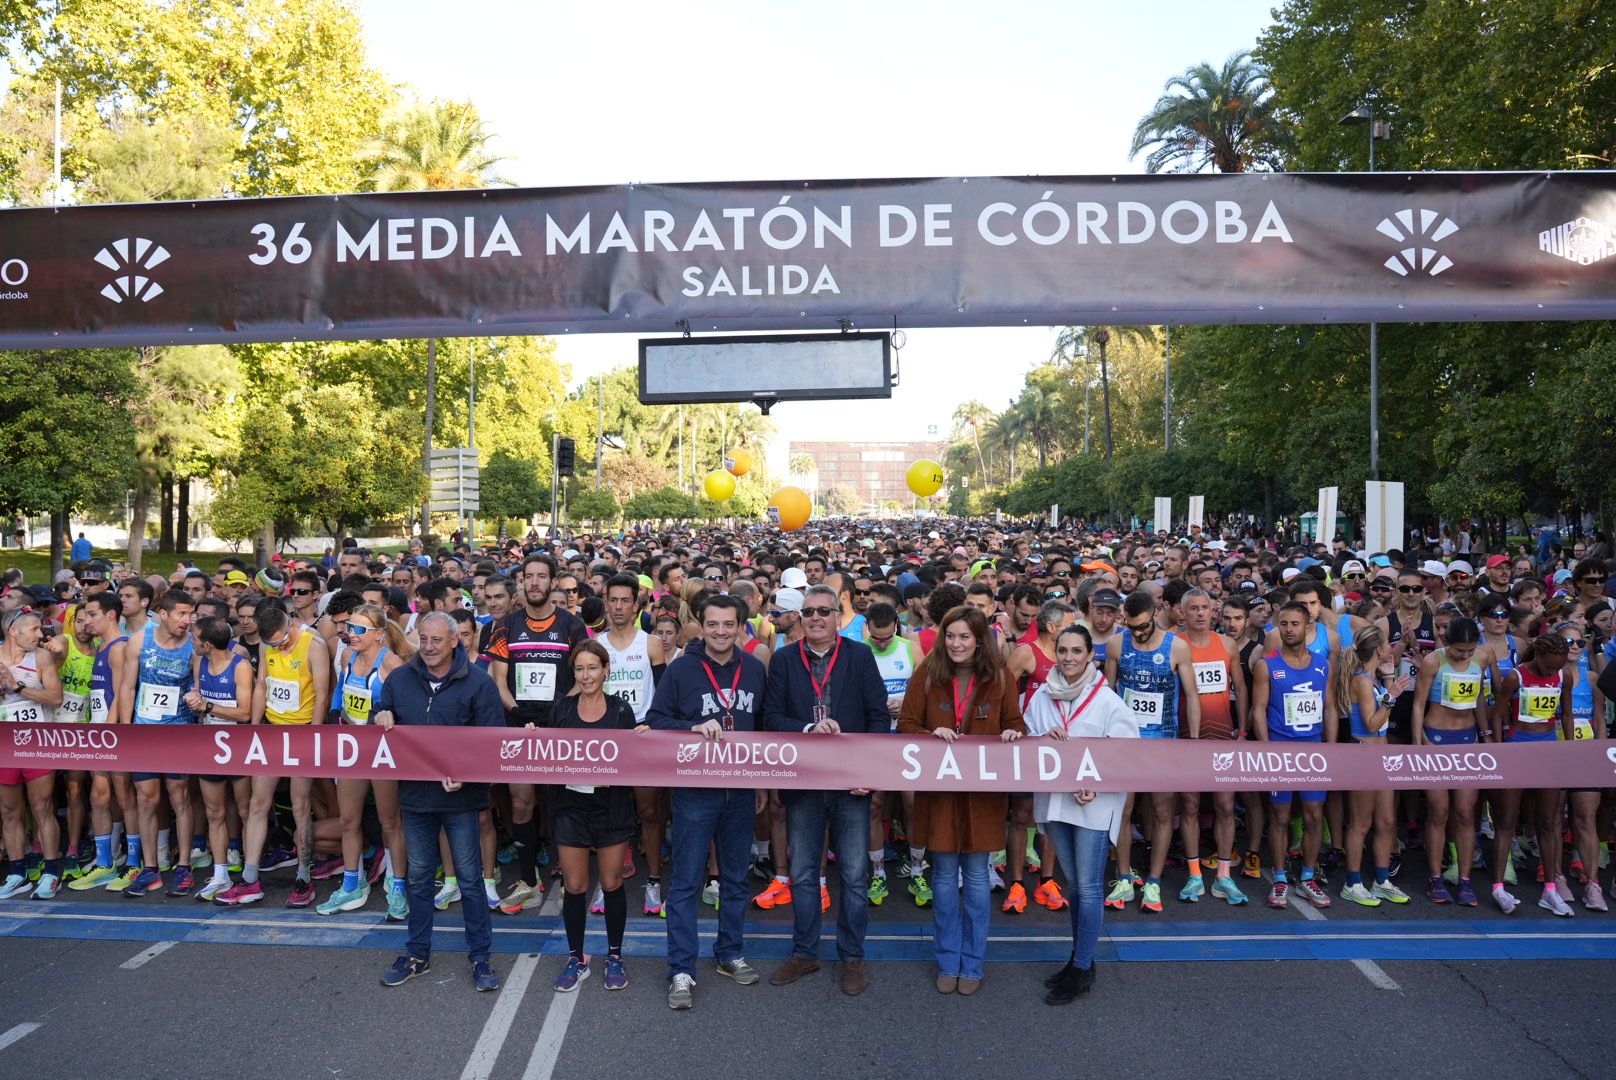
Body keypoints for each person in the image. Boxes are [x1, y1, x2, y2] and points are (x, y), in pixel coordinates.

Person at [762, 584, 889, 997]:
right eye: (809, 611)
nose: (816, 617)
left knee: (853, 876)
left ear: (838, 616)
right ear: (800, 618)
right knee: (802, 874)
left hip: (851, 783)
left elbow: (877, 717)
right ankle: (805, 953)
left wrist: (867, 767)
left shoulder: (860, 656)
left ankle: (851, 957)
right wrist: (807, 729)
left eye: (824, 611)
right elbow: (771, 717)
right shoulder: (783, 659)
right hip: (805, 781)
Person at [646, 593, 768, 1010]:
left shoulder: (754, 668)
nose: (720, 631)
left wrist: (764, 785)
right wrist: (691, 726)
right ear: (700, 624)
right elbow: (656, 719)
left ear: (741, 626)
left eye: (728, 624)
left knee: (735, 878)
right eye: (712, 624)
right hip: (695, 789)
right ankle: (681, 967)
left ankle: (729, 953)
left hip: (741, 788)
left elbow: (766, 731)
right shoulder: (681, 669)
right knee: (685, 882)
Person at [898, 605, 1025, 996]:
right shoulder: (927, 673)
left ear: (979, 640)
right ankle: (947, 959)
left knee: (975, 880)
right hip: (939, 796)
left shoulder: (1000, 675)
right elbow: (906, 726)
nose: (956, 643)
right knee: (942, 880)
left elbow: (1016, 723)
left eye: (964, 637)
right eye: (950, 636)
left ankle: (973, 963)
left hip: (982, 797)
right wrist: (930, 733)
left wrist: (1012, 735)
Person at [373, 612, 503, 992]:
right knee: (417, 877)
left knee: (470, 880)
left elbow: (491, 743)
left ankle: (480, 957)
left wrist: (465, 772)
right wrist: (380, 716)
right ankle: (417, 954)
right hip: (415, 799)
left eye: (436, 640)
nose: (428, 647)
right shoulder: (399, 679)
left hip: (462, 801)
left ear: (454, 642)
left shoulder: (479, 683)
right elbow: (382, 730)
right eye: (423, 639)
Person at [1023, 624, 1137, 1005]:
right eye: (1063, 650)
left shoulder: (1108, 701)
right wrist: (1042, 738)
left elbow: (1125, 753)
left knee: (1088, 888)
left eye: (1077, 651)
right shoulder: (1041, 696)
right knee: (1074, 885)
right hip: (1057, 800)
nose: (1069, 658)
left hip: (1092, 803)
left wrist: (1099, 785)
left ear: (1091, 655)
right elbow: (1026, 739)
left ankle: (1084, 967)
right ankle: (1077, 960)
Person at [487, 554, 589, 914]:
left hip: (560, 726)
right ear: (521, 584)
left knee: (564, 804)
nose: (533, 583)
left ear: (552, 583)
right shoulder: (507, 626)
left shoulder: (572, 626)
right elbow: (498, 680)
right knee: (521, 802)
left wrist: (559, 716)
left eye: (541, 577)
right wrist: (517, 712)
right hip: (520, 725)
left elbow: (584, 676)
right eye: (527, 577)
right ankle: (528, 881)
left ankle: (569, 882)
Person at [549, 641, 644, 993]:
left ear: (606, 670)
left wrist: (642, 741)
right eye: (579, 669)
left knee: (612, 883)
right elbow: (547, 755)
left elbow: (632, 760)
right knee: (574, 886)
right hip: (571, 808)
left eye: (592, 667)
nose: (585, 675)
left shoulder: (621, 711)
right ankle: (577, 958)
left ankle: (614, 956)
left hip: (611, 808)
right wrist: (529, 737)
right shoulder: (561, 708)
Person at [1104, 590, 1200, 913]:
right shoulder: (1118, 645)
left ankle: (1155, 883)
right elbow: (1107, 694)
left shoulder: (1177, 647)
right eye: (1132, 627)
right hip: (1125, 742)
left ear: (1155, 614)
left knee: (1162, 812)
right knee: (1123, 809)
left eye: (1143, 626)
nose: (1138, 633)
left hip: (1163, 739)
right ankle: (1124, 878)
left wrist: (1195, 742)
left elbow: (1192, 695)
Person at [320, 603, 408, 917]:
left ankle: (398, 886)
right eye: (348, 628)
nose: (350, 634)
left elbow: (406, 708)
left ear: (378, 635)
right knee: (348, 821)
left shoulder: (393, 664)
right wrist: (335, 716)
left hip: (382, 752)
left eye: (358, 629)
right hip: (352, 749)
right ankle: (351, 885)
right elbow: (338, 696)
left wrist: (387, 716)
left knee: (390, 824)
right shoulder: (347, 657)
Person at [1250, 601, 1337, 909]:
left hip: (1313, 751)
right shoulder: (1267, 665)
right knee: (1281, 817)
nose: (1288, 629)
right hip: (1280, 750)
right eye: (1283, 624)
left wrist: (1331, 748)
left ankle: (1309, 877)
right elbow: (1257, 711)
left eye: (1294, 624)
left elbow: (1329, 708)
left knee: (1314, 815)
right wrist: (1266, 750)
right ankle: (1279, 877)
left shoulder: (1323, 664)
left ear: (1307, 627)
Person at [116, 590, 196, 898]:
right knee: (146, 799)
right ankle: (150, 869)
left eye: (190, 614)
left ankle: (185, 866)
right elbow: (127, 687)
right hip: (145, 731)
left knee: (180, 797)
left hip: (179, 731)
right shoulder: (139, 640)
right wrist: (128, 730)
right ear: (162, 613)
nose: (187, 621)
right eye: (181, 614)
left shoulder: (193, 646)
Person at [1490, 633, 1574, 915]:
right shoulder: (1515, 678)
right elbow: (1498, 714)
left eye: (1557, 667)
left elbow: (1567, 714)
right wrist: (1501, 753)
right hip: (1518, 747)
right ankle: (1498, 887)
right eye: (1549, 667)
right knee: (1506, 821)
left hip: (1548, 749)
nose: (1553, 672)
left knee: (1549, 822)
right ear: (1537, 657)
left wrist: (1569, 749)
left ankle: (1550, 889)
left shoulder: (1564, 676)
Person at [599, 573, 667, 916]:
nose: (620, 606)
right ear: (606, 603)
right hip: (608, 742)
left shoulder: (651, 644)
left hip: (643, 738)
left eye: (627, 600)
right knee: (607, 813)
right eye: (614, 599)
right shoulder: (596, 644)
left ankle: (653, 880)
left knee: (649, 812)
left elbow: (664, 695)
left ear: (636, 604)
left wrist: (652, 724)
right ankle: (606, 880)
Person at [1411, 617, 1489, 905]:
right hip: (1437, 740)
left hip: (1468, 741)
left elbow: (1479, 698)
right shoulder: (1434, 661)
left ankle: (1466, 879)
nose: (1465, 656)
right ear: (1447, 643)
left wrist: (1486, 734)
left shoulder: (1480, 659)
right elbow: (1419, 703)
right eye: (1459, 651)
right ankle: (1435, 877)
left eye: (1469, 651)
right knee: (1439, 811)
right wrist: (1419, 739)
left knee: (1466, 814)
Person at [1336, 626, 1413, 907]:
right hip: (1364, 755)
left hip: (1381, 757)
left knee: (1387, 822)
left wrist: (1390, 679)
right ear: (1379, 649)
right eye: (1388, 645)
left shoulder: (1374, 679)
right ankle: (1352, 883)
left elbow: (1382, 707)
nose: (1393, 647)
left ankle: (1381, 881)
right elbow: (1371, 723)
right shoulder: (1362, 681)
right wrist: (1391, 695)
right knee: (1361, 823)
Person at [184, 616, 255, 902]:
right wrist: (195, 701)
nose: (192, 641)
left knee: (246, 810)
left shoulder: (240, 667)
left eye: (195, 638)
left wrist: (209, 705)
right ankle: (220, 873)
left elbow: (245, 713)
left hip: (237, 746)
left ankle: (250, 873)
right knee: (215, 814)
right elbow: (200, 699)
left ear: (207, 643)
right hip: (210, 745)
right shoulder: (200, 663)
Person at [0, 609, 64, 898]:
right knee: (10, 812)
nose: (40, 635)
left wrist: (17, 686)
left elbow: (55, 697)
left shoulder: (40, 658)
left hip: (37, 743)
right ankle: (17, 872)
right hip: (5, 746)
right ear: (13, 631)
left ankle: (51, 872)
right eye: (34, 629)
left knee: (42, 808)